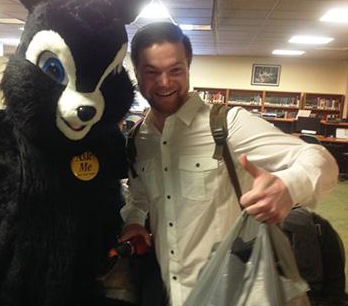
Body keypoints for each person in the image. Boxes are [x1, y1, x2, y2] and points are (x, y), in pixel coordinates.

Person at [119, 22, 339, 306]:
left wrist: (288, 186)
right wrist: (135, 221)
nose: (164, 82)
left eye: (175, 70)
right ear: (136, 72)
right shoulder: (139, 137)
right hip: (174, 294)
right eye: (152, 72)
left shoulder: (228, 124)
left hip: (239, 293)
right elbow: (139, 195)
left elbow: (321, 161)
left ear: (188, 67)